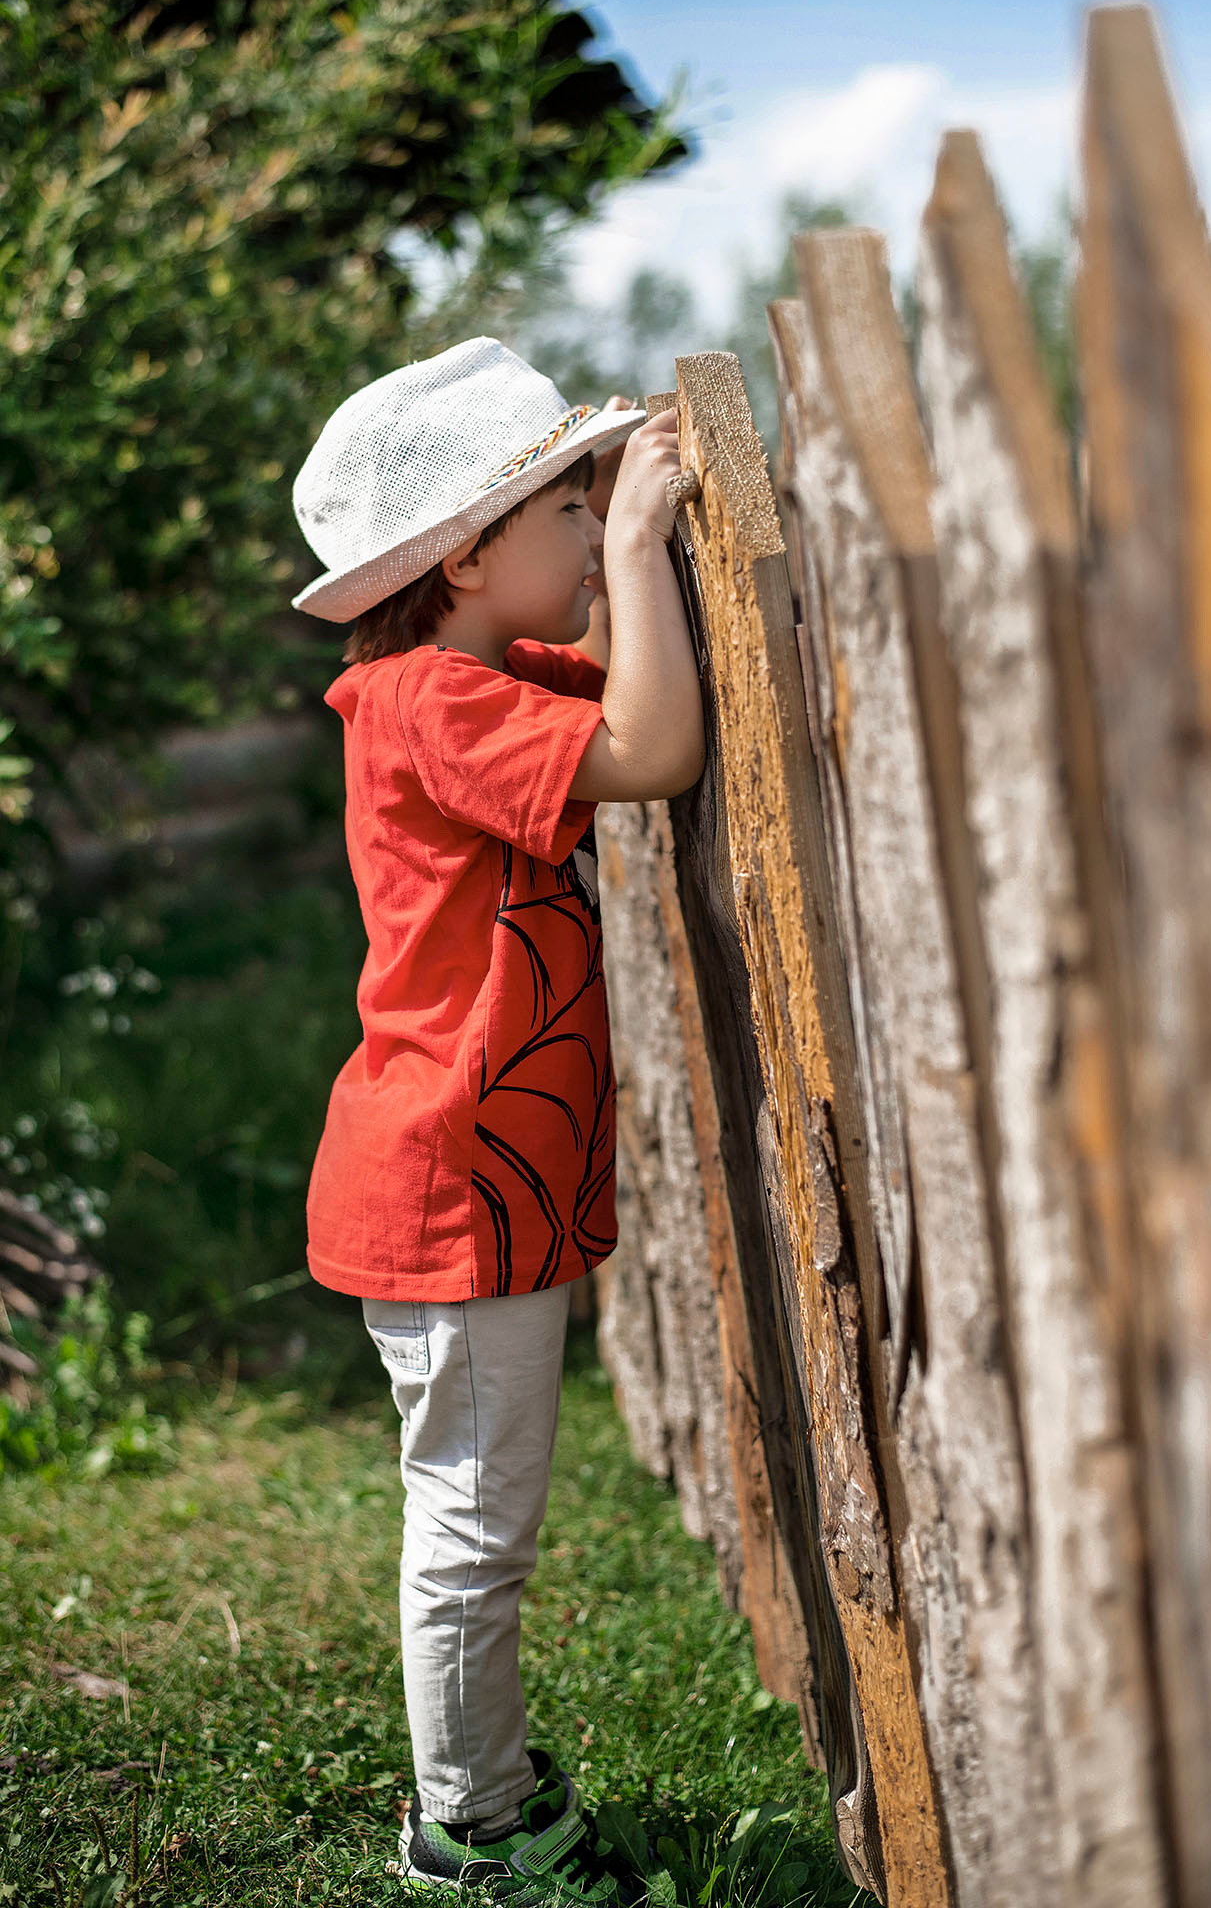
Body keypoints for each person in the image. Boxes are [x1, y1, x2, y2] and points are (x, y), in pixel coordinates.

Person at [289, 336, 705, 1900]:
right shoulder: (423, 703)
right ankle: (471, 1826)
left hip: (477, 1174)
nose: (585, 523)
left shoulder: (480, 678)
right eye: (556, 509)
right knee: (472, 1533)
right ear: (465, 559)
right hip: (449, 1186)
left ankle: (488, 1787)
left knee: (482, 1515)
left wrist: (619, 547)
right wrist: (637, 544)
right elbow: (657, 748)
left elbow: (647, 689)